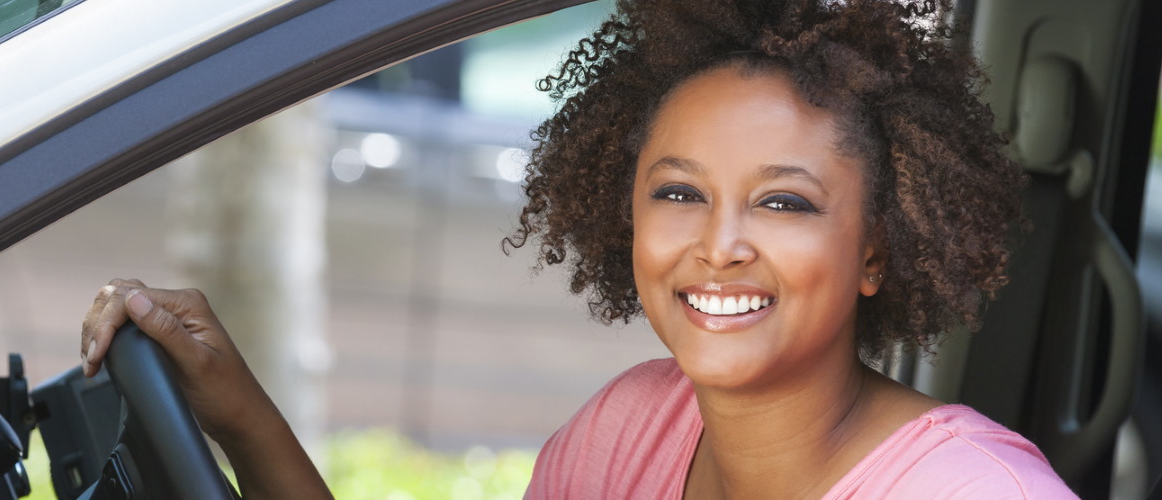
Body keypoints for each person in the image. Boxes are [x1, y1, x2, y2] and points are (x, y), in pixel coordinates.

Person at [79, 0, 1078, 498]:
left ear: (876, 248)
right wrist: (241, 412)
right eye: (680, 191)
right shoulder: (627, 437)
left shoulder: (969, 491)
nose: (719, 244)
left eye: (783, 201)